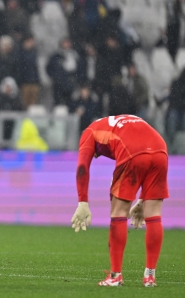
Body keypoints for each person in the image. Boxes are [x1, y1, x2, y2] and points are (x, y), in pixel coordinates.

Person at [71, 115, 168, 287]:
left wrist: (82, 202)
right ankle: (150, 276)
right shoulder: (124, 121)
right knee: (153, 214)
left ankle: (115, 276)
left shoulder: (89, 132)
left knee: (119, 212)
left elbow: (81, 167)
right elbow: (146, 149)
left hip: (132, 151)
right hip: (160, 149)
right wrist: (142, 199)